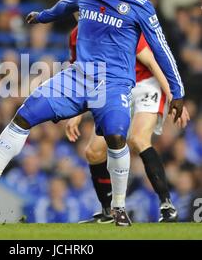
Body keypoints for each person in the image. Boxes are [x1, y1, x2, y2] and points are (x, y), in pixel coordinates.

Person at [0, 0, 185, 226]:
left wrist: (177, 91)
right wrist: (42, 17)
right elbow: (64, 6)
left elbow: (161, 50)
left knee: (115, 136)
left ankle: (119, 208)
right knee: (25, 114)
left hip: (114, 84)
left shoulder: (139, 6)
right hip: (78, 77)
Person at [66, 26, 189, 223]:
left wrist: (175, 96)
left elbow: (151, 61)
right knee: (93, 152)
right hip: (117, 87)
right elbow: (84, 77)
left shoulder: (117, 23)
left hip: (145, 83)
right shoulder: (76, 36)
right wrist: (76, 114)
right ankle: (108, 212)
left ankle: (167, 205)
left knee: (138, 139)